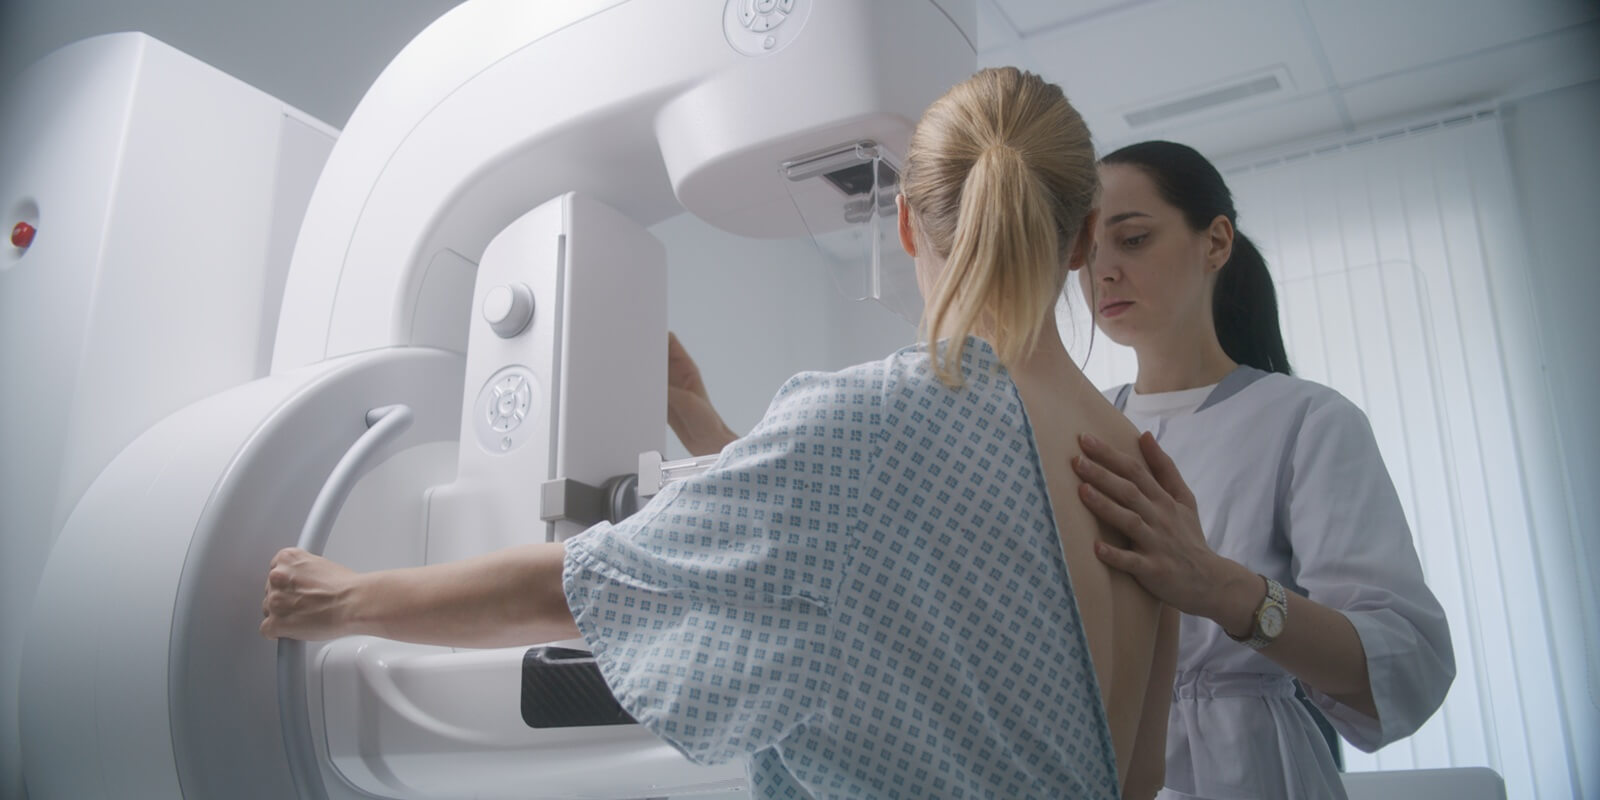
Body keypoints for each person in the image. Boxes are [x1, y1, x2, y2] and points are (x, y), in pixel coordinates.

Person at [262, 67, 1178, 800]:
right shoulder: (1147, 476)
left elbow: (578, 588)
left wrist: (346, 597)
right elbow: (1134, 775)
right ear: (1085, 236)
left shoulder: (868, 425)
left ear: (904, 220)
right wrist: (699, 420)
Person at [1067, 140, 1455, 799]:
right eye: (1086, 250)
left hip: (1254, 772)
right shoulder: (1075, 428)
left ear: (1215, 242)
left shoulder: (1307, 421)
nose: (1102, 272)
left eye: (1131, 240)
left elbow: (1407, 668)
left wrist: (1221, 588)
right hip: (1099, 768)